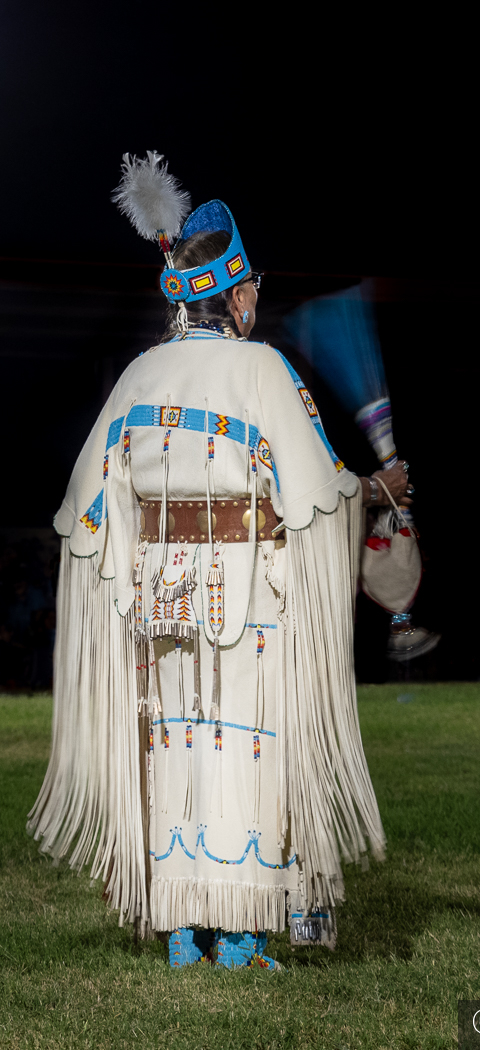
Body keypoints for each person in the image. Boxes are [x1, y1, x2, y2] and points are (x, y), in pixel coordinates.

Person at [28, 154, 410, 969]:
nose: (256, 303)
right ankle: (236, 936)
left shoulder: (138, 376)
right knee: (241, 748)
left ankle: (179, 933)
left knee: (177, 747)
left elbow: (88, 507)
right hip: (247, 606)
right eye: (253, 292)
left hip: (160, 603)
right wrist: (379, 487)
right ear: (235, 295)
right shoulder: (260, 370)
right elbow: (320, 493)